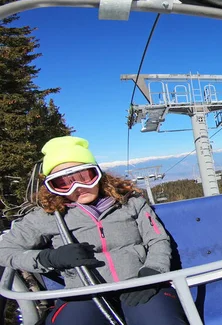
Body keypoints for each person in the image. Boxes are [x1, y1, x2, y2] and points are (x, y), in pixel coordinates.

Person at [0, 136, 189, 325]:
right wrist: (48, 258)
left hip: (138, 283)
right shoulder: (48, 217)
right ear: (53, 188)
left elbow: (157, 239)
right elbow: (4, 250)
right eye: (64, 183)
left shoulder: (130, 202)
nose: (79, 188)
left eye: (84, 177)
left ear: (98, 174)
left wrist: (152, 274)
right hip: (83, 294)